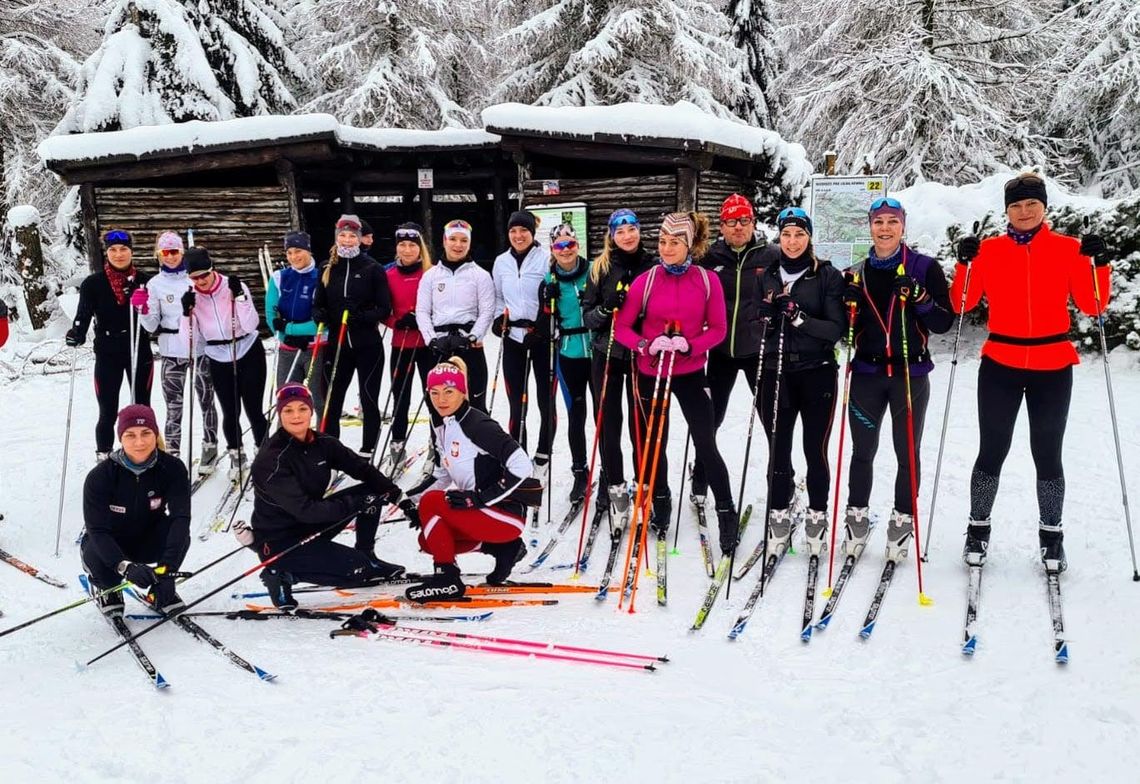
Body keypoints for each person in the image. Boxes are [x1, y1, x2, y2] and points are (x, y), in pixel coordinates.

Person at [953, 172, 1110, 572]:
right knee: (992, 450)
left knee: (1047, 453)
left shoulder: (1069, 249)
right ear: (1007, 210)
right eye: (1016, 206)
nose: (1024, 212)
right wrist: (964, 263)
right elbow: (964, 303)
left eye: (1031, 205)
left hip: (1052, 365)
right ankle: (978, 529)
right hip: (1000, 363)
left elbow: (1093, 305)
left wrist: (1100, 262)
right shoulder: (988, 251)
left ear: (1044, 208)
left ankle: (1052, 536)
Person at [614, 212, 740, 553]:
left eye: (674, 243)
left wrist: (690, 344)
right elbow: (622, 328)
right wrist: (646, 343)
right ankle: (661, 499)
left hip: (689, 372)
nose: (666, 249)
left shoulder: (706, 280)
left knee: (705, 442)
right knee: (654, 443)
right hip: (651, 371)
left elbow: (718, 330)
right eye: (662, 242)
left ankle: (726, 510)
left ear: (690, 245)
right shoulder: (648, 279)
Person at [841, 198, 954, 562]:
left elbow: (942, 322)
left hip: (910, 374)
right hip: (867, 376)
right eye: (879, 222)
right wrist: (847, 306)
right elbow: (843, 330)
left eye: (892, 221)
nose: (885, 228)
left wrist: (920, 297)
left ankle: (902, 519)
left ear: (903, 225)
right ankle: (856, 518)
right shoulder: (854, 272)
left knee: (907, 452)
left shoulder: (923, 267)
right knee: (862, 451)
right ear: (869, 226)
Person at [246, 383, 414, 610]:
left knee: (372, 492)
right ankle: (281, 573)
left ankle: (368, 554)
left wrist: (402, 500)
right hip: (280, 541)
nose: (296, 416)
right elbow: (306, 510)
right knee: (358, 571)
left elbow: (362, 469)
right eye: (288, 410)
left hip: (310, 526)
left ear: (311, 411)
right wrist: (355, 504)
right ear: (279, 414)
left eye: (302, 409)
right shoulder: (271, 460)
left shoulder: (321, 443)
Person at [404, 358, 540, 602]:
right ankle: (504, 549)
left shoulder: (477, 424)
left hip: (504, 514)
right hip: (483, 514)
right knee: (428, 539)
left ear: (462, 392)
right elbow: (441, 475)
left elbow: (522, 464)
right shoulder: (444, 426)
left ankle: (447, 580)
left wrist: (478, 498)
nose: (441, 400)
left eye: (448, 392)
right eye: (434, 393)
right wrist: (410, 503)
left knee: (434, 502)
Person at [754, 207, 845, 559]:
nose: (792, 242)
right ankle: (778, 512)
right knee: (778, 448)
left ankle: (817, 515)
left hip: (817, 371)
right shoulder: (767, 275)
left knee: (815, 449)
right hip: (777, 372)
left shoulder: (827, 276)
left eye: (800, 235)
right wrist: (763, 317)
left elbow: (834, 330)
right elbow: (752, 317)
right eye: (787, 234)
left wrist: (798, 317)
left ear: (809, 237)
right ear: (779, 236)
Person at [692, 194, 773, 509]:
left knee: (771, 418)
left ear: (752, 223)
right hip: (720, 352)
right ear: (722, 226)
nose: (738, 227)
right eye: (731, 221)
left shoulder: (772, 256)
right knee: (710, 420)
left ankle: (780, 482)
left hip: (759, 351)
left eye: (744, 220)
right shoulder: (709, 258)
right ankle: (700, 479)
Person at [580, 208, 655, 526]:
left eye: (632, 229)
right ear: (611, 235)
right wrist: (606, 310)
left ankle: (646, 487)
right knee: (608, 424)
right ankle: (616, 489)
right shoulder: (600, 267)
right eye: (620, 231)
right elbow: (587, 315)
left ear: (639, 231)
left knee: (642, 424)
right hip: (607, 352)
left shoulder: (652, 265)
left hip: (640, 354)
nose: (627, 236)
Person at [80, 404, 190, 615]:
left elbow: (180, 518)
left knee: (179, 534)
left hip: (148, 536)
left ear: (155, 434)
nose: (139, 442)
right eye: (130, 435)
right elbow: (97, 531)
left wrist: (167, 570)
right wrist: (125, 567)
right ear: (120, 438)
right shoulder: (100, 477)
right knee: (97, 557)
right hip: (111, 543)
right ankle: (108, 588)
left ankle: (160, 585)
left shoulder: (172, 468)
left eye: (146, 433)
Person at [65, 229, 154, 460]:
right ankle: (104, 457)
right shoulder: (93, 284)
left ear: (131, 252)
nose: (118, 254)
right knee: (107, 411)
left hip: (138, 349)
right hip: (107, 352)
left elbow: (156, 319)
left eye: (124, 249)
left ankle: (145, 453)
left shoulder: (145, 282)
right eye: (113, 250)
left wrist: (144, 302)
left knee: (142, 408)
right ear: (106, 252)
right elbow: (82, 317)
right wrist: (76, 333)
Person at [139, 230, 219, 473]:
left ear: (182, 252)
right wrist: (142, 307)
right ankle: (172, 453)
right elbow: (151, 325)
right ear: (159, 255)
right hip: (171, 352)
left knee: (206, 400)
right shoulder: (155, 284)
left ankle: (210, 445)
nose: (171, 256)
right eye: (166, 252)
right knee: (174, 406)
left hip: (200, 349)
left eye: (175, 251)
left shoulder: (194, 278)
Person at [312, 214, 392, 455]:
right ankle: (330, 451)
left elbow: (384, 308)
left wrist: (362, 315)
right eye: (343, 236)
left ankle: (367, 451)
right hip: (337, 345)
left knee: (368, 400)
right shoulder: (327, 267)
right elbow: (318, 303)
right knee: (332, 402)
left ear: (359, 240)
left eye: (351, 236)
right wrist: (320, 314)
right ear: (337, 238)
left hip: (367, 344)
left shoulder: (372, 268)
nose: (347, 240)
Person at [185, 246, 267, 480]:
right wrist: (185, 314)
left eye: (204, 275)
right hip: (217, 354)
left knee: (254, 408)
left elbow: (251, 324)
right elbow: (191, 342)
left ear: (213, 269)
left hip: (247, 348)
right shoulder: (191, 295)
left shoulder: (232, 286)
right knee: (230, 410)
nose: (201, 281)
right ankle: (236, 454)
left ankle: (264, 452)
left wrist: (240, 298)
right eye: (194, 277)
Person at [492, 209, 555, 479]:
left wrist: (542, 325)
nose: (518, 236)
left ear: (532, 233)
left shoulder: (546, 259)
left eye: (523, 231)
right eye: (513, 231)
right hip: (514, 339)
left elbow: (554, 298)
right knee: (517, 403)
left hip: (540, 339)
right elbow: (496, 296)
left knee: (544, 399)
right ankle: (519, 450)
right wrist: (498, 320)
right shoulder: (501, 262)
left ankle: (543, 451)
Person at [415, 219, 495, 411]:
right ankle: (439, 441)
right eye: (453, 239)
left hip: (468, 345)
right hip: (439, 346)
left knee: (474, 403)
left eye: (463, 240)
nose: (458, 245)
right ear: (444, 240)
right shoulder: (431, 275)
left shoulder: (480, 275)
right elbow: (422, 311)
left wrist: (472, 337)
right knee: (439, 404)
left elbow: (487, 311)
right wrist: (431, 340)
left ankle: (474, 441)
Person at [543, 223, 593, 500]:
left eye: (570, 244)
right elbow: (544, 319)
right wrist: (545, 300)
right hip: (569, 353)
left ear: (577, 245)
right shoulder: (550, 279)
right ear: (553, 249)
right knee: (576, 414)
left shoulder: (594, 270)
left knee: (604, 416)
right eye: (559, 246)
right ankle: (579, 472)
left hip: (597, 352)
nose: (565, 250)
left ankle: (609, 469)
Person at [380, 222, 435, 473]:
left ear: (420, 247)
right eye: (402, 244)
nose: (407, 249)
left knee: (434, 397)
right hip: (401, 343)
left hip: (427, 344)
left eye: (412, 244)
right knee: (400, 398)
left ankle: (438, 444)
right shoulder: (388, 274)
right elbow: (381, 310)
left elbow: (443, 307)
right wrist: (395, 321)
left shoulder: (431, 273)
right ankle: (397, 444)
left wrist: (424, 320)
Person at [266, 230, 327, 417]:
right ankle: (286, 444)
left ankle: (321, 441)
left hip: (316, 346)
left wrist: (292, 329)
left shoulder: (322, 276)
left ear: (308, 251)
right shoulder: (279, 277)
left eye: (298, 251)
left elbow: (322, 320)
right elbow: (271, 314)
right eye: (289, 252)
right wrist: (286, 336)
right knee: (287, 400)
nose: (294, 257)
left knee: (318, 400)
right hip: (287, 348)